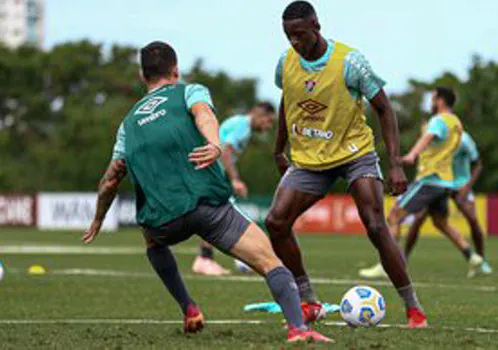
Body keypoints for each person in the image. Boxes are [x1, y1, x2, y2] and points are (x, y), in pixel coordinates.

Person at [82, 41, 332, 343]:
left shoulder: (127, 124)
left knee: (152, 242)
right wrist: (214, 144)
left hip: (161, 222)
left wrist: (97, 219)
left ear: (142, 77)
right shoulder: (190, 90)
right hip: (209, 210)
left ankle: (189, 308)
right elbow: (204, 114)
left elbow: (111, 179)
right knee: (270, 262)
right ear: (176, 70)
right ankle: (298, 329)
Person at [266, 1, 427, 328]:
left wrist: (395, 163)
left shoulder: (350, 61)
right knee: (275, 222)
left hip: (355, 154)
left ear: (316, 26)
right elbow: (287, 102)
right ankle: (309, 301)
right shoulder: (285, 63)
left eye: (299, 34)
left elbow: (385, 108)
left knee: (375, 225)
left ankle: (414, 308)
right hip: (310, 159)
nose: (294, 42)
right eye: (288, 36)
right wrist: (278, 149)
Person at [359, 87, 484, 279]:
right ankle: (472, 255)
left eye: (433, 98)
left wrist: (412, 155)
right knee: (441, 222)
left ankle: (387, 265)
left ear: (440, 100)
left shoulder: (439, 120)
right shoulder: (456, 123)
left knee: (394, 216)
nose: (431, 102)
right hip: (446, 181)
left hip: (430, 179)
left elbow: (429, 136)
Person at [192, 102, 276, 276]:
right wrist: (235, 179)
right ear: (260, 115)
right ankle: (206, 259)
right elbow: (225, 151)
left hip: (210, 172)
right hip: (212, 172)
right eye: (268, 122)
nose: (268, 127)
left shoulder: (240, 124)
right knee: (218, 214)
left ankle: (208, 258)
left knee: (215, 214)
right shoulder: (243, 127)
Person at [402, 130, 493, 277]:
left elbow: (478, 164)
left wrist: (467, 186)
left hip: (460, 183)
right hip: (440, 182)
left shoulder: (464, 140)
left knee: (472, 218)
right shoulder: (433, 139)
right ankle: (403, 259)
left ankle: (481, 261)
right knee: (419, 219)